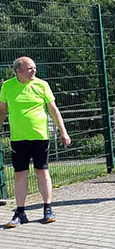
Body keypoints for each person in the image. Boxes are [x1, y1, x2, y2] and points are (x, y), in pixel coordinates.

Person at [0, 57, 71, 227]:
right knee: (20, 174)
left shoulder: (42, 85)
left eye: (34, 67)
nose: (34, 71)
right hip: (18, 138)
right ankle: (20, 212)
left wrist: (63, 131)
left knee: (42, 171)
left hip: (40, 137)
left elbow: (53, 109)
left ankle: (48, 209)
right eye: (30, 68)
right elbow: (2, 110)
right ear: (19, 71)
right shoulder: (7, 86)